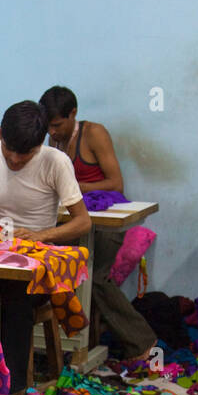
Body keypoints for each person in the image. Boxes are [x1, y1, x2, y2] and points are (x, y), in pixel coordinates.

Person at [0, 100, 91, 395]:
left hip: (33, 268)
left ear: (41, 144)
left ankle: (14, 389)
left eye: (25, 154)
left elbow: (83, 222)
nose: (16, 160)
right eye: (10, 152)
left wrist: (43, 235)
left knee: (13, 301)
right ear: (0, 134)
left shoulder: (55, 162)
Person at [39, 85, 155, 360]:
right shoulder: (53, 141)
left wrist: (75, 186)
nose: (52, 132)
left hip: (105, 224)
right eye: (48, 127)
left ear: (73, 114)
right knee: (46, 264)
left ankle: (144, 343)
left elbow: (116, 183)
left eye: (57, 125)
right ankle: (57, 344)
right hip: (75, 222)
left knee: (94, 276)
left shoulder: (94, 134)